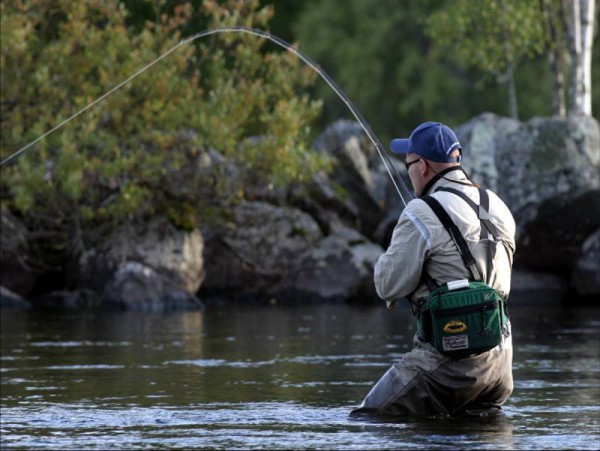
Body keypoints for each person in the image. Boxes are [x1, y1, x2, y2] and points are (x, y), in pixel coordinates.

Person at [350, 122, 516, 418]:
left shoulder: (420, 212)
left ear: (423, 166)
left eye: (409, 163)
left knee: (366, 418)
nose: (408, 170)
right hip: (500, 363)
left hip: (447, 366)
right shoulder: (498, 206)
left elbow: (387, 285)